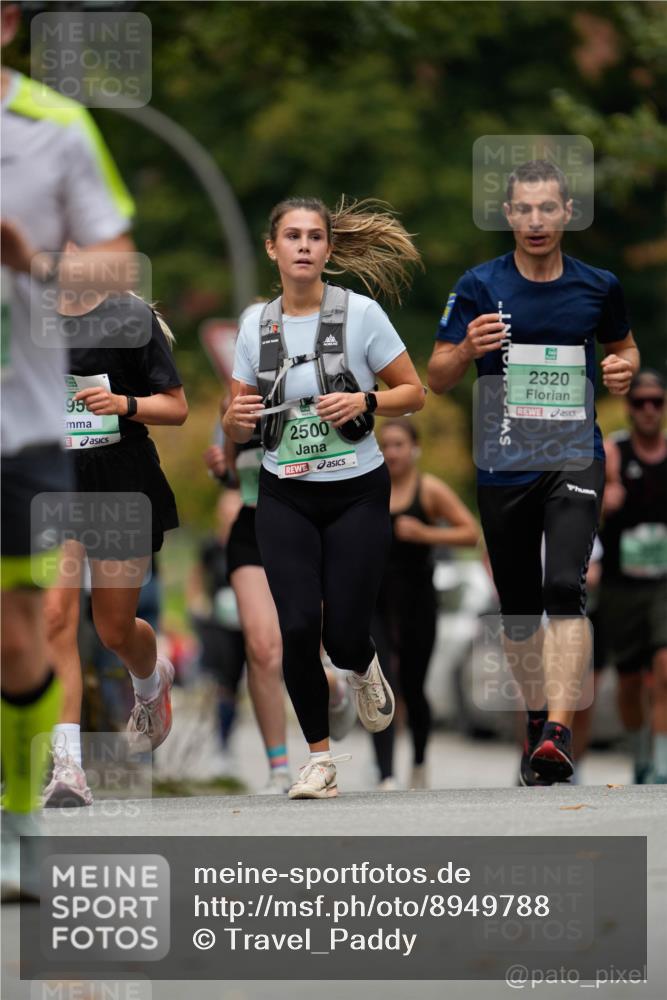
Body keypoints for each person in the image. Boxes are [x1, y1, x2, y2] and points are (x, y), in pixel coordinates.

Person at [427, 159, 639, 786]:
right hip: (504, 465)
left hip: (575, 457)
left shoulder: (598, 286)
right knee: (519, 609)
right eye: (525, 209)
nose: (537, 220)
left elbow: (622, 350)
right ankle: (535, 718)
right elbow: (436, 378)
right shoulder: (478, 285)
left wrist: (623, 370)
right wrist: (465, 349)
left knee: (562, 589)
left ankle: (559, 731)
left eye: (549, 208)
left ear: (567, 212)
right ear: (509, 216)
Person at [223, 196, 424, 799]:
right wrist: (234, 418)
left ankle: (361, 666)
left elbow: (412, 392)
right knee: (298, 624)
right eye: (292, 235)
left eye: (315, 236)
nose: (304, 245)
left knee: (341, 635)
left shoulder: (360, 314)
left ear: (329, 250)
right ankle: (318, 759)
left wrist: (365, 401)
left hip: (357, 491)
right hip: (285, 492)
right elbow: (235, 423)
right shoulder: (254, 325)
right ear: (273, 248)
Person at [0, 0, 135, 895]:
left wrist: (35, 263)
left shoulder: (54, 125)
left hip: (21, 426)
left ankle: (17, 826)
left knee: (18, 635)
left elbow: (119, 263)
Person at [42, 270, 188, 807]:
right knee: (54, 615)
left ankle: (151, 679)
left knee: (113, 628)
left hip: (118, 480)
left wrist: (123, 404)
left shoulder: (129, 316)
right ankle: (67, 768)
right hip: (50, 482)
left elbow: (176, 406)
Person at [371, 418, 480, 790]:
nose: (391, 452)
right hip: (376, 601)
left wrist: (425, 533)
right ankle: (385, 773)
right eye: (384, 445)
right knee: (379, 684)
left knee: (413, 686)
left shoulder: (429, 489)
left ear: (414, 448)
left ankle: (418, 762)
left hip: (418, 599)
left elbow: (470, 533)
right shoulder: (370, 489)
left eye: (399, 444)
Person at [598, 370, 667, 784]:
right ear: (629, 406)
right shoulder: (614, 452)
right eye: (640, 401)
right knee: (627, 680)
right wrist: (606, 499)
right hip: (622, 583)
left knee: (664, 665)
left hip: (663, 582)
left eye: (656, 401)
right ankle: (640, 751)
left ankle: (661, 764)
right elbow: (587, 508)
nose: (648, 409)